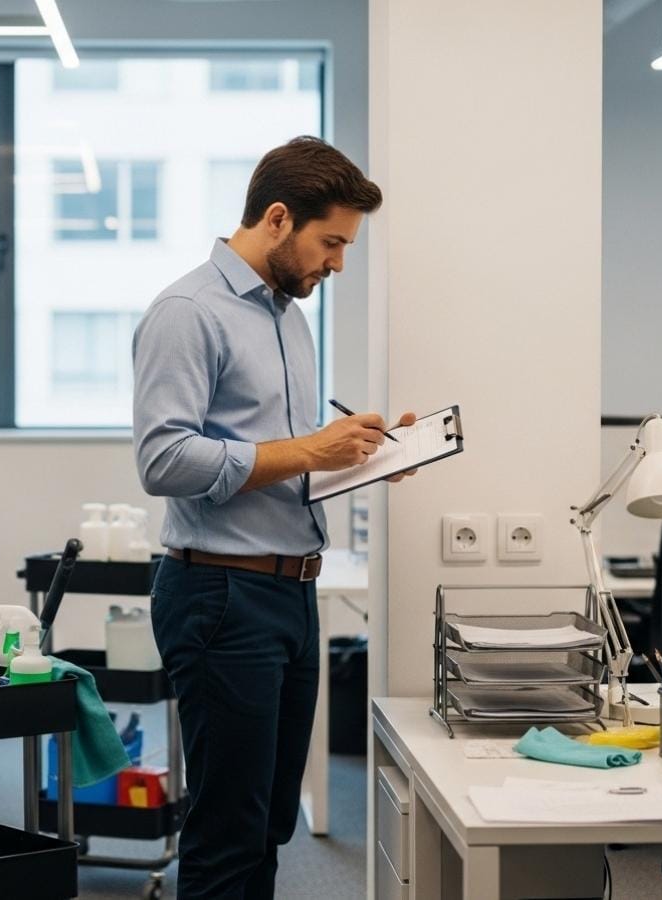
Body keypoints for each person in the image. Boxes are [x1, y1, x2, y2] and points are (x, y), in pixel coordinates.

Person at [133, 135, 416, 898]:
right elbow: (163, 461)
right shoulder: (188, 312)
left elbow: (285, 461)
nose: (339, 263)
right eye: (332, 243)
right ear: (280, 218)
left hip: (290, 594)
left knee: (268, 827)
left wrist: (363, 456)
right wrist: (311, 448)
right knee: (229, 831)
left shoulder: (288, 315)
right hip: (222, 596)